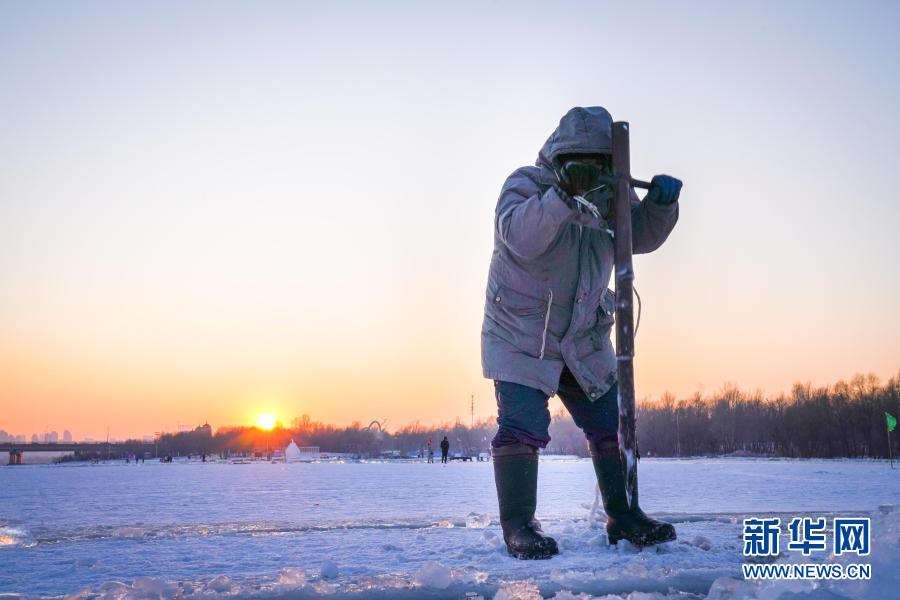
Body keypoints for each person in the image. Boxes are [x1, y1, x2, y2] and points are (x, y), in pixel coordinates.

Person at [481, 106, 681, 560]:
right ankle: (518, 525)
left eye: (599, 162)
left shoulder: (611, 198)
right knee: (522, 426)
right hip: (521, 333)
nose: (591, 171)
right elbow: (520, 236)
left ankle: (624, 515)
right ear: (560, 155)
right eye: (580, 160)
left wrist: (660, 206)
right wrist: (562, 198)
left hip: (583, 335)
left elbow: (638, 237)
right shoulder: (527, 184)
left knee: (612, 423)